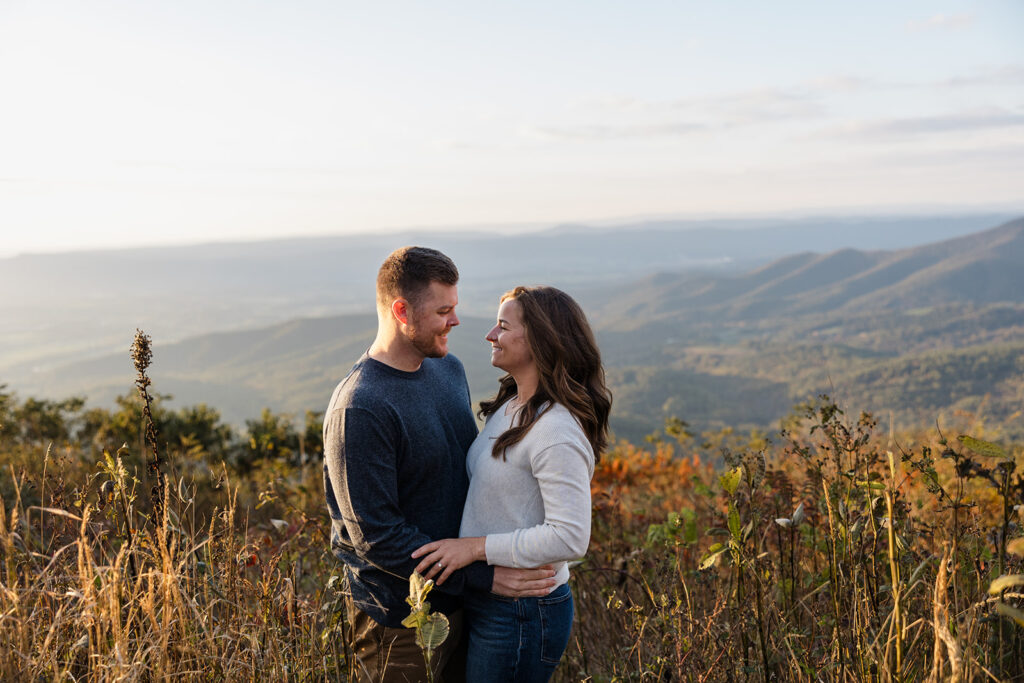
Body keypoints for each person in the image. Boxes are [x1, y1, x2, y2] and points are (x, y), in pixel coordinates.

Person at [323, 248, 558, 683]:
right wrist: (484, 578)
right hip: (402, 621)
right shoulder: (361, 406)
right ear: (401, 311)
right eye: (443, 310)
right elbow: (377, 537)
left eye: (456, 308)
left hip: (466, 604)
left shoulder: (448, 369)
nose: (455, 321)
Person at [412, 285, 612, 682]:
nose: (490, 334)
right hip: (491, 597)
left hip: (523, 611)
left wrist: (473, 549)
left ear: (539, 340)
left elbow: (571, 537)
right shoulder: (512, 406)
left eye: (503, 326)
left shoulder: (555, 430)